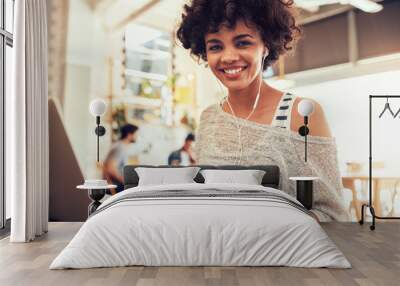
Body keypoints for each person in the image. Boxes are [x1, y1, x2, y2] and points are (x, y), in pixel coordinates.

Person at [176, 0, 349, 221]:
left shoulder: (301, 114)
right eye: (216, 46)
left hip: (279, 253)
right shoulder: (209, 118)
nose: (228, 56)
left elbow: (333, 215)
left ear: (266, 45)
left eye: (242, 43)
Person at [103, 124, 139, 194]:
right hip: (116, 185)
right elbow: (110, 168)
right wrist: (125, 181)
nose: (137, 136)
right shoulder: (120, 147)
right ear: (129, 135)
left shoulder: (121, 145)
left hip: (116, 184)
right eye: (136, 134)